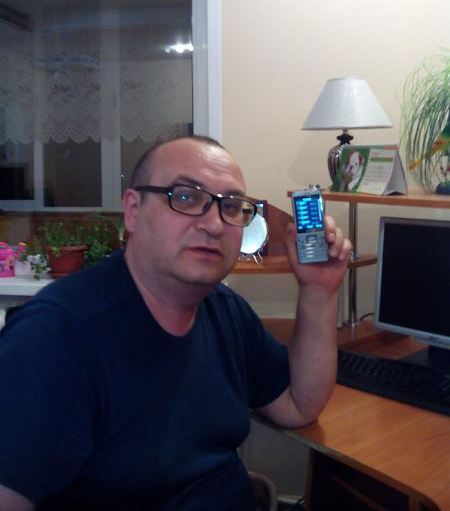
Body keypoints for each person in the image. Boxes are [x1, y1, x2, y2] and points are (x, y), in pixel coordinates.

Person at [0, 135, 352, 510]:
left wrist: (319, 291)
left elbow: (298, 405)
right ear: (133, 211)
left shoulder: (225, 311)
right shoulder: (53, 338)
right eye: (185, 197)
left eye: (231, 206)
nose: (214, 224)